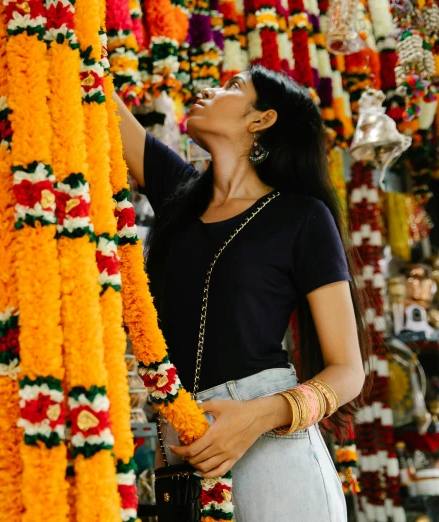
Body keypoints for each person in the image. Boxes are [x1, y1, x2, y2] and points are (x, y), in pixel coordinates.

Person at [114, 65, 368, 521]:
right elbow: (96, 103)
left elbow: (348, 371)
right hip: (180, 446)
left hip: (269, 444)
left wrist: (259, 416)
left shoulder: (301, 217)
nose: (207, 90)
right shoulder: (180, 196)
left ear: (261, 119)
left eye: (232, 86)